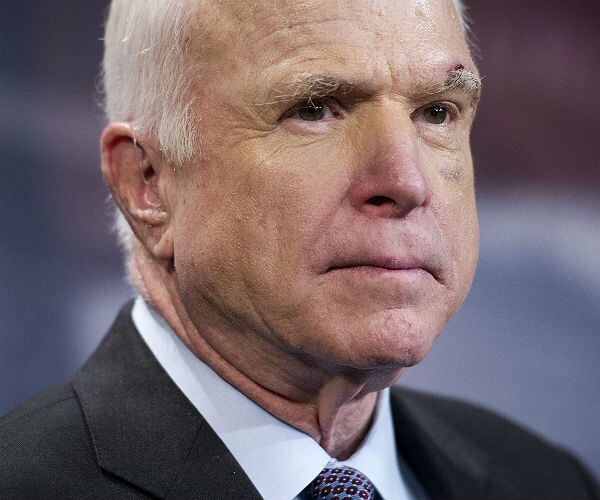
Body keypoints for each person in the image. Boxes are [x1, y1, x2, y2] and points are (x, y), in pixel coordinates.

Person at [1, 0, 598, 498]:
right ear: (148, 183)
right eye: (315, 110)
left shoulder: (547, 482)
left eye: (437, 113)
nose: (406, 181)